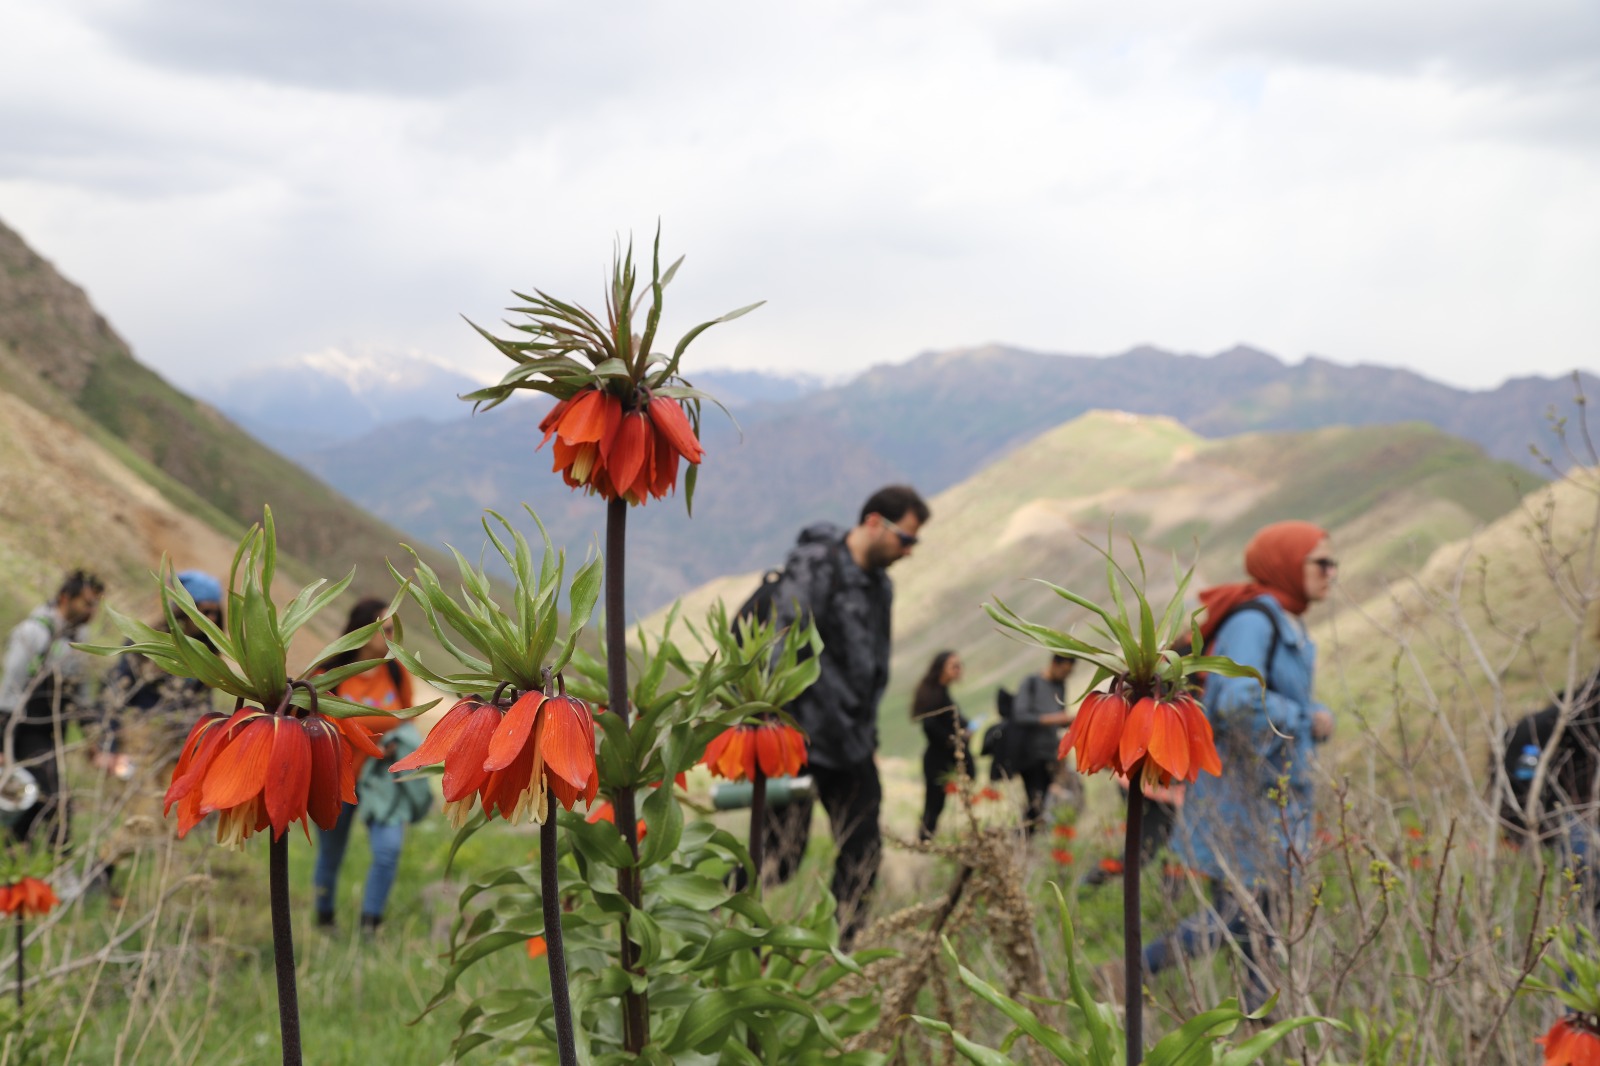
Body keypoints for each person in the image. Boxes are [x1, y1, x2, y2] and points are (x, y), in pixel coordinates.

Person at [1144, 521, 1337, 1011]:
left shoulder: (1285, 620)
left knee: (1256, 920)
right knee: (1248, 914)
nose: (1331, 572)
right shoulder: (1254, 622)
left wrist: (1312, 714)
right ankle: (1140, 967)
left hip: (1268, 795)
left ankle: (1255, 1014)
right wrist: (1307, 720)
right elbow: (1235, 701)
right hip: (1245, 797)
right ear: (1286, 563)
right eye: (1321, 563)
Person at [765, 484, 929, 947]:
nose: (909, 551)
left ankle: (844, 948)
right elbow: (782, 648)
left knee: (863, 850)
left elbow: (872, 667)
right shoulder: (815, 565)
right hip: (799, 739)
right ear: (874, 522)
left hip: (851, 743)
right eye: (906, 538)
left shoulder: (881, 586)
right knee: (779, 856)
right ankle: (725, 924)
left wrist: (866, 735)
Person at [93, 570, 222, 893]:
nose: (209, 619)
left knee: (173, 819)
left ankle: (143, 887)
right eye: (203, 611)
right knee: (143, 817)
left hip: (175, 746)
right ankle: (99, 874)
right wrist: (108, 745)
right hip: (140, 738)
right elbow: (113, 694)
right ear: (184, 609)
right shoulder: (147, 643)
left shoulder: (206, 652)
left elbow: (202, 704)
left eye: (214, 613)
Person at [312, 598, 424, 933]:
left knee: (388, 850)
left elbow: (406, 717)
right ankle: (325, 919)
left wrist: (397, 743)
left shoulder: (396, 670)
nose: (393, 637)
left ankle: (370, 924)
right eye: (387, 629)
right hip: (338, 775)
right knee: (331, 853)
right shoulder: (328, 676)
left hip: (381, 776)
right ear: (364, 630)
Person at [0, 569, 104, 848]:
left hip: (51, 732)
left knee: (34, 799)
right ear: (65, 598)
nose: (92, 611)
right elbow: (9, 691)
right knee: (54, 801)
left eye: (95, 604)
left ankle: (17, 851)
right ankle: (57, 855)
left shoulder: (79, 640)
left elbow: (80, 696)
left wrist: (92, 736)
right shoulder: (33, 632)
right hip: (23, 731)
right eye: (87, 603)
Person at [1009, 653, 1075, 834]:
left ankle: (1023, 837)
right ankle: (1021, 837)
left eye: (1069, 673)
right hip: (1029, 753)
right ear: (1054, 663)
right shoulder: (1031, 682)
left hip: (1048, 751)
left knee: (1040, 800)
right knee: (1035, 800)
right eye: (1064, 670)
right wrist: (1056, 718)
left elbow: (1059, 717)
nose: (1065, 675)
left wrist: (1067, 721)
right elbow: (1021, 715)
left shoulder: (1060, 686)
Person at [914, 650, 971, 841]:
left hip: (944, 757)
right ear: (941, 668)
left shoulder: (941, 692)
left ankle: (926, 840)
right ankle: (924, 841)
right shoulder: (934, 693)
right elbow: (930, 726)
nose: (958, 670)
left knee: (937, 804)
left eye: (959, 666)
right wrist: (954, 739)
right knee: (933, 804)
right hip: (937, 759)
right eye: (954, 666)